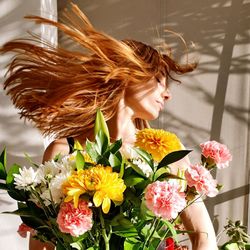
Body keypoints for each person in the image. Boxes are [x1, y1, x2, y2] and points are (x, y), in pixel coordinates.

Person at [1, 3, 218, 250]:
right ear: (128, 73)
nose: (167, 94)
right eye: (159, 79)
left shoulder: (167, 151)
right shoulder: (64, 151)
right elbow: (42, 245)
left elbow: (204, 236)